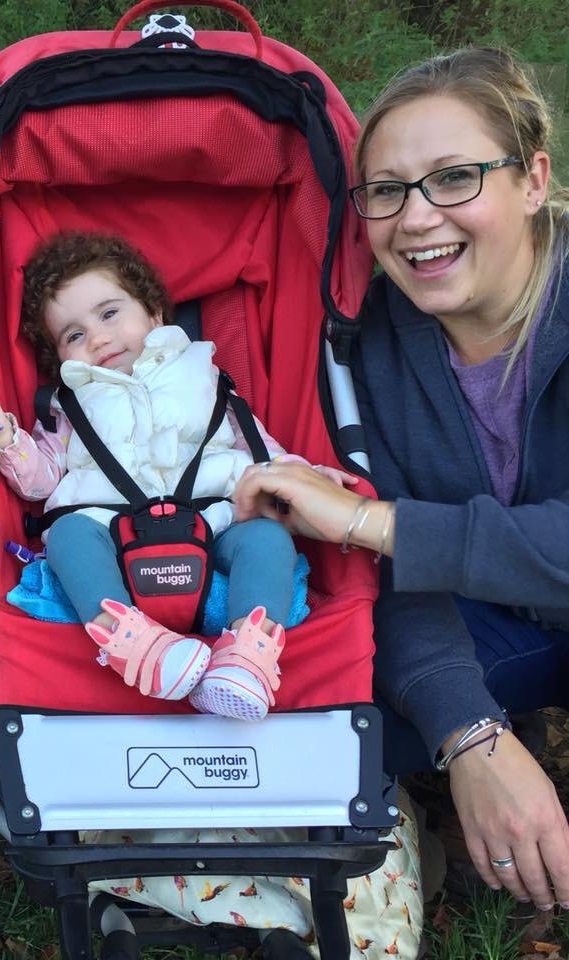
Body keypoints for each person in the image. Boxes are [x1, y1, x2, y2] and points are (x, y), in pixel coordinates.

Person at [232, 47, 569, 910]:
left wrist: (369, 520)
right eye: (386, 191)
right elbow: (386, 586)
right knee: (305, 732)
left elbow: (380, 539)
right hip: (489, 621)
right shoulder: (365, 339)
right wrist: (467, 727)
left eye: (454, 178)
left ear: (533, 179)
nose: (416, 219)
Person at [0, 231, 355, 719]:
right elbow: (39, 482)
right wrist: (3, 435)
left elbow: (262, 453)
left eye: (109, 314)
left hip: (217, 525)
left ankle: (247, 656)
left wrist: (311, 478)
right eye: (74, 335)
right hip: (109, 535)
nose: (98, 338)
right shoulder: (66, 403)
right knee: (65, 535)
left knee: (269, 539)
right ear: (58, 356)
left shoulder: (208, 379)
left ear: (155, 313)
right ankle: (132, 643)